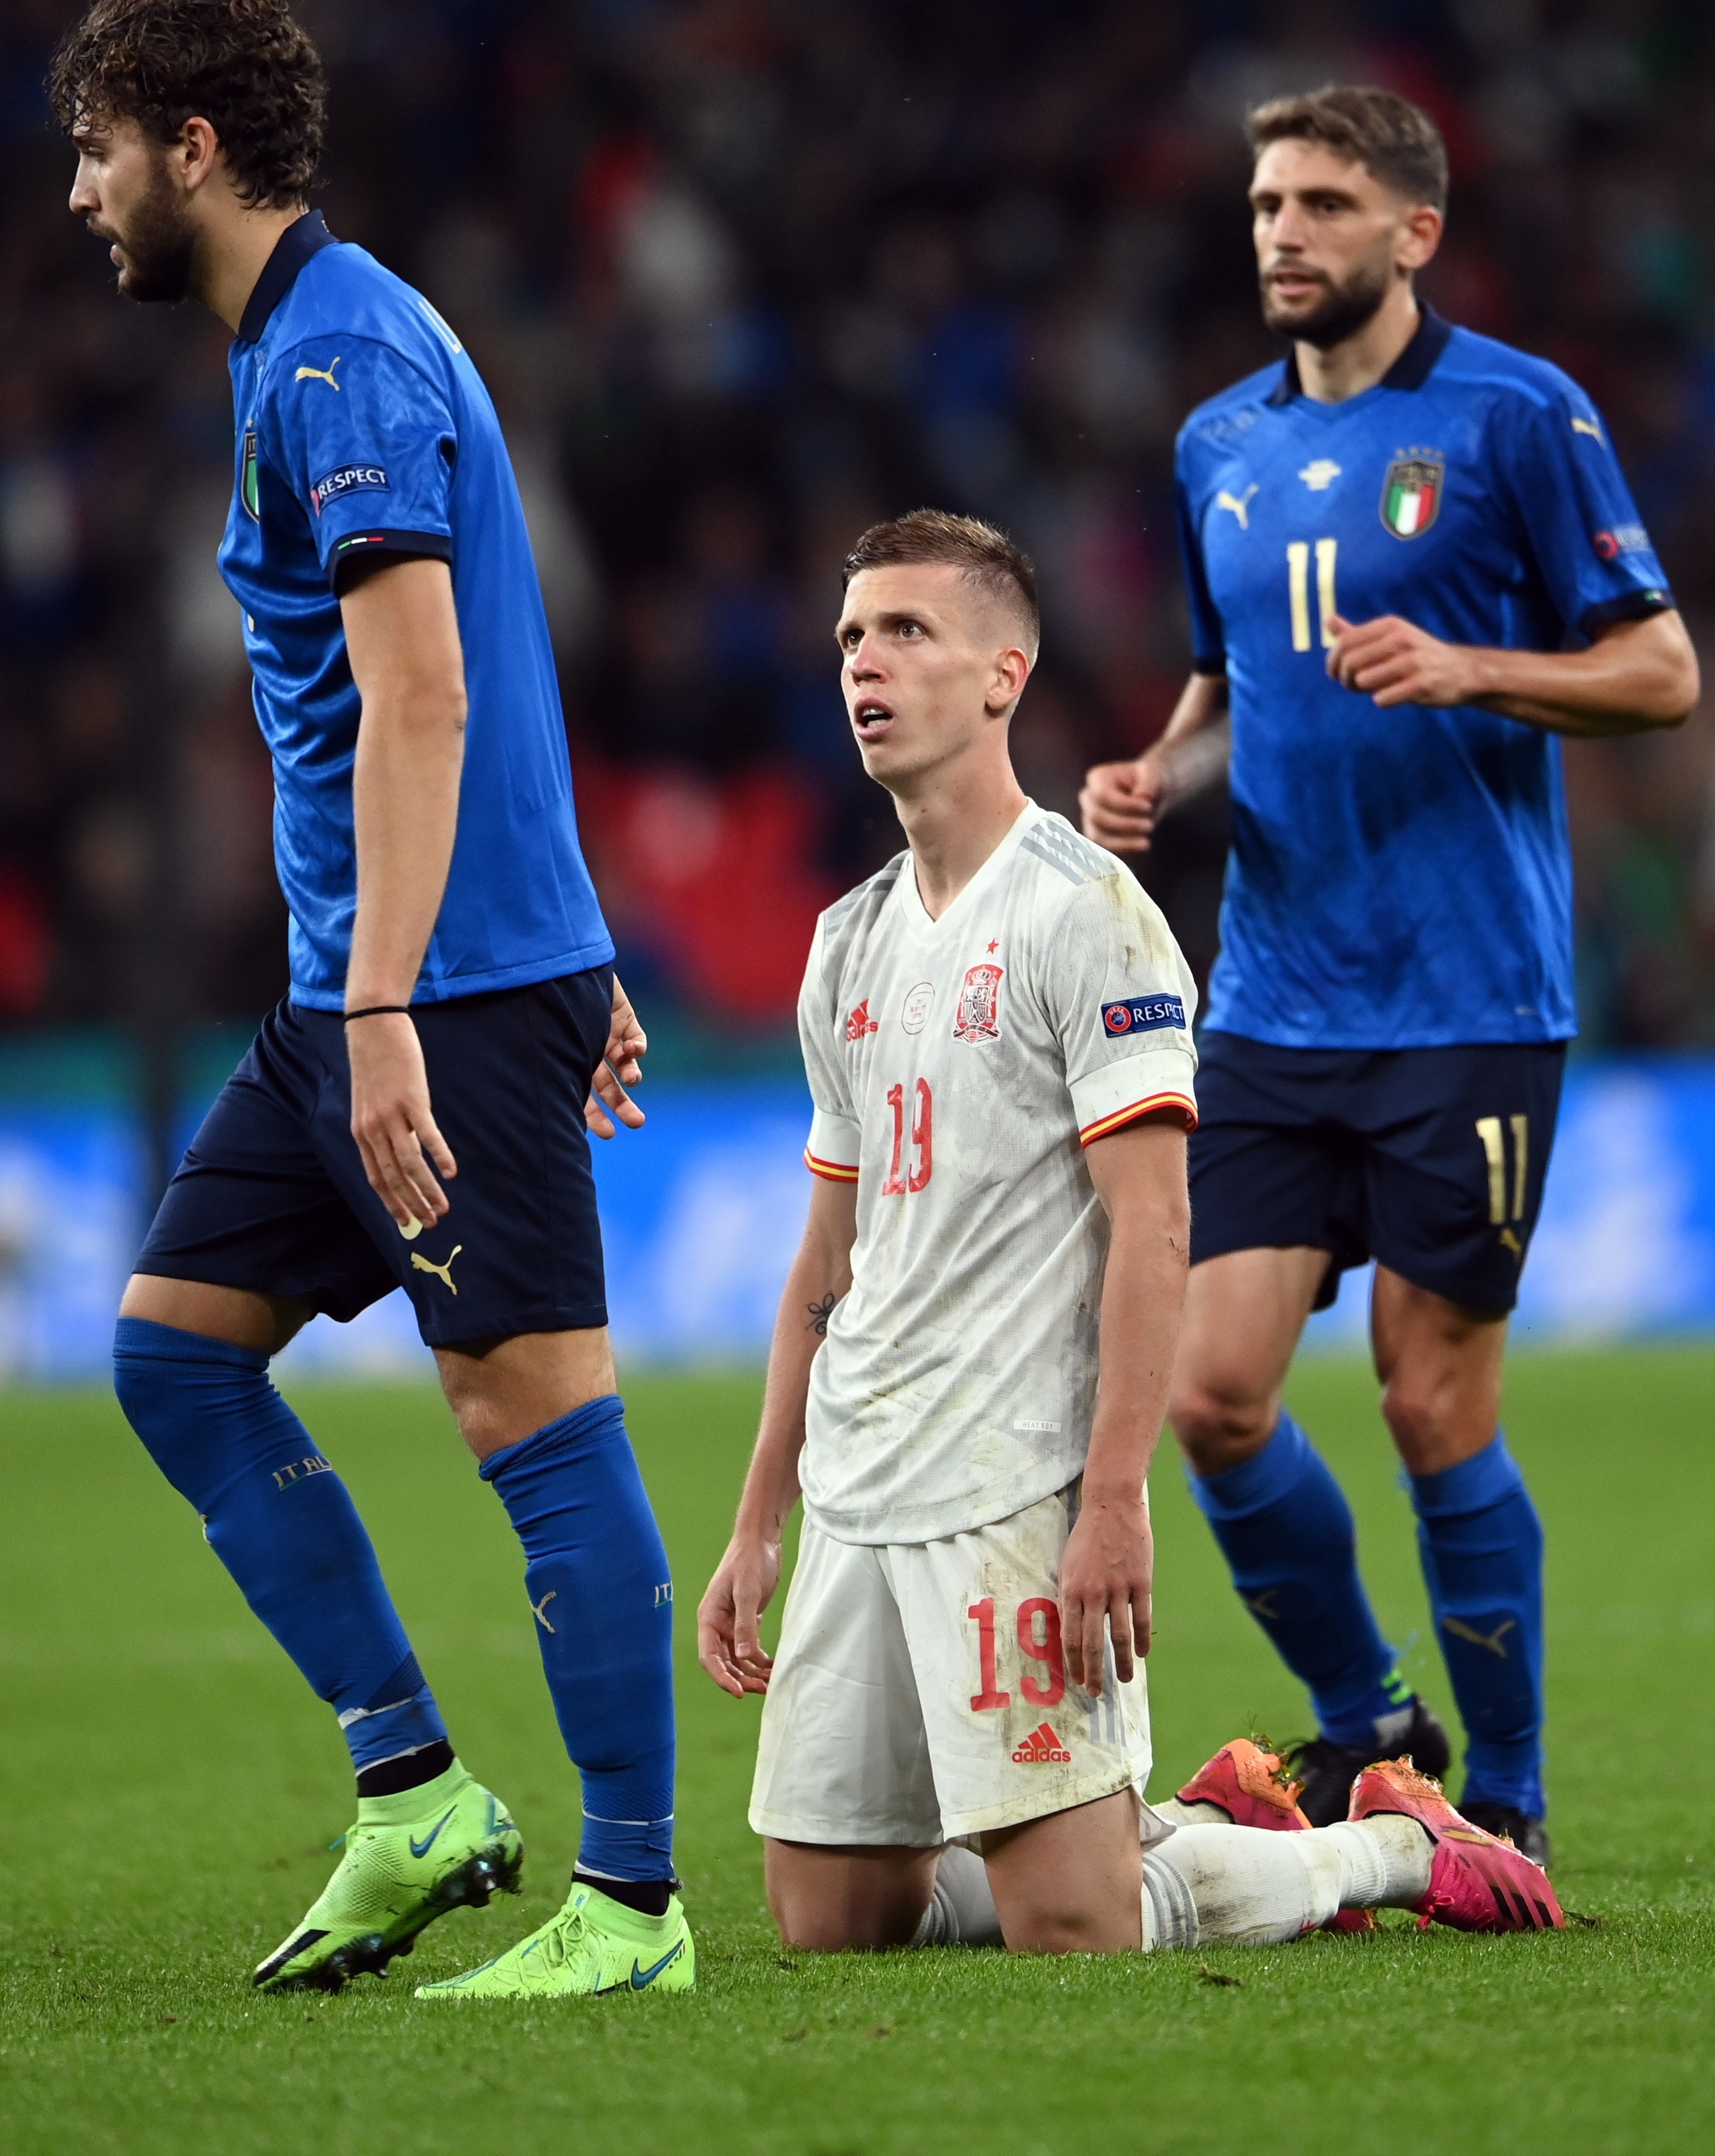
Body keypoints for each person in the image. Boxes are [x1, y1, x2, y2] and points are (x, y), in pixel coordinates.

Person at [55, 0, 691, 2001]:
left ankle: (635, 1905)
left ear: (186, 143)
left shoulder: (335, 353)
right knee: (172, 1349)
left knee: (530, 1413)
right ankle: (414, 1788)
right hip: (380, 988)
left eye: (92, 152)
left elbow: (429, 688)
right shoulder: (302, 348)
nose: (76, 196)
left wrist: (407, 1004)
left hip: (435, 995)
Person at [696, 508, 1563, 1955]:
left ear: (1003, 675)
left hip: (1014, 1481)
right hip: (862, 1481)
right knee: (832, 1925)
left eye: (910, 632)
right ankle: (1191, 1829)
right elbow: (822, 1268)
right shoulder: (845, 940)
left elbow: (1155, 1231)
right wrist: (757, 1520)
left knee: (1077, 1932)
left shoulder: (1087, 912)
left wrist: (1112, 1504)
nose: (868, 664)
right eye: (853, 636)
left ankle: (1384, 1848)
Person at [1081, 85, 1699, 1859]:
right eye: (1268, 202)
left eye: (1324, 204)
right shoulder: (1220, 445)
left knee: (1432, 1401)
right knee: (1209, 1393)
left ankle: (1501, 1806)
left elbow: (1659, 672)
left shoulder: (1518, 417)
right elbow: (1222, 697)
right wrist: (1154, 773)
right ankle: (1371, 1724)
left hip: (1470, 997)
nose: (1282, 231)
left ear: (1413, 233)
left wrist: (1473, 665)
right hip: (1273, 995)